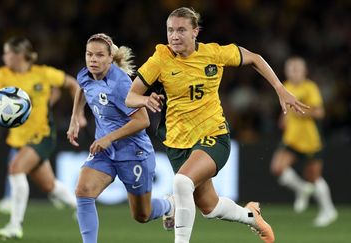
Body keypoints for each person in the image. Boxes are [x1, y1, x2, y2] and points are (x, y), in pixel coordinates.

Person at [126, 7, 309, 243]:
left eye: (181, 30)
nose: (174, 36)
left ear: (195, 32)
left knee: (181, 182)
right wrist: (145, 99)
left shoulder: (214, 54)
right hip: (177, 142)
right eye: (170, 30)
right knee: (209, 208)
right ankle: (251, 215)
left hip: (214, 135)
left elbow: (255, 58)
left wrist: (280, 88)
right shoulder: (160, 59)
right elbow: (130, 97)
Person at [67, 33, 173, 243]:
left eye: (99, 55)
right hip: (105, 151)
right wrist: (75, 117)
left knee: (142, 215)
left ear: (109, 59)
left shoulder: (120, 84)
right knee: (83, 190)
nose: (93, 60)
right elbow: (82, 88)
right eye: (89, 54)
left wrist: (109, 138)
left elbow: (142, 121)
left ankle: (171, 205)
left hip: (133, 153)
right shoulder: (86, 74)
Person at [0, 36, 84, 239]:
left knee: (15, 168)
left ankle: (15, 225)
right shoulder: (3, 73)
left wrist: (78, 114)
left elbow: (74, 85)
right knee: (49, 185)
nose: (4, 56)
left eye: (7, 52)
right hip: (20, 138)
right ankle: (82, 207)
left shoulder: (44, 73)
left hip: (42, 135)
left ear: (19, 55)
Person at [270, 56, 337, 227]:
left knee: (313, 177)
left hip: (309, 140)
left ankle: (328, 211)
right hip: (291, 138)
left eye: (297, 69)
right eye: (290, 68)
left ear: (304, 71)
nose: (293, 72)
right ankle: (301, 189)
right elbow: (285, 109)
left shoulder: (310, 87)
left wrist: (302, 112)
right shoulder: (286, 86)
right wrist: (283, 118)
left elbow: (320, 113)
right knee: (277, 168)